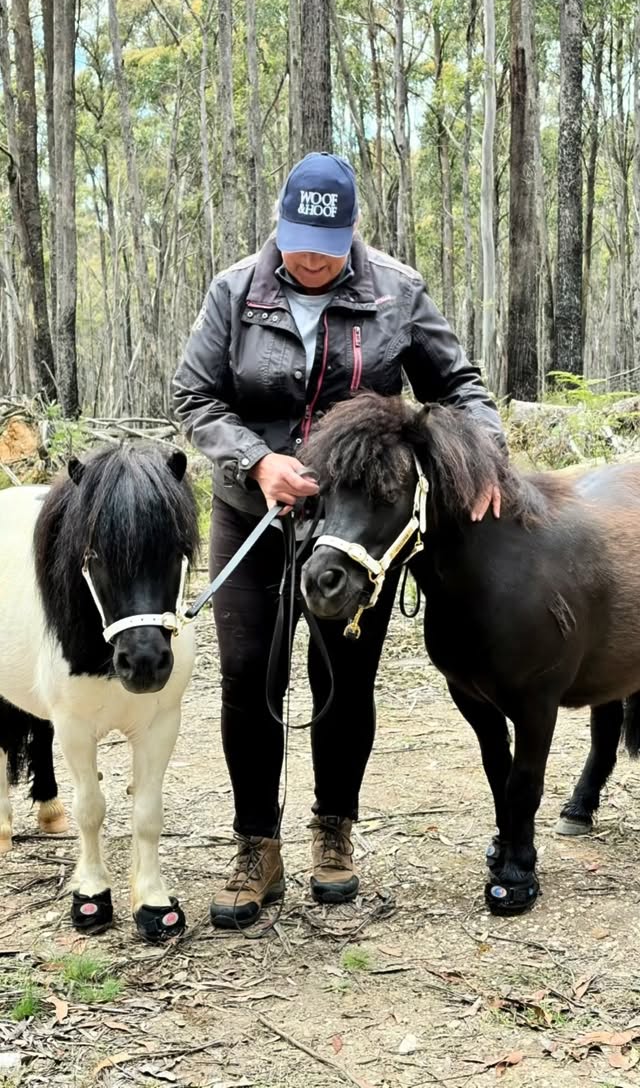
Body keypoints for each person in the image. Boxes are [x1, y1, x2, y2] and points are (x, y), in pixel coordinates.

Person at [173, 152, 505, 929]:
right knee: (251, 674)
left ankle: (334, 831)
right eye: (297, 240)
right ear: (279, 227)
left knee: (343, 677)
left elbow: (459, 385)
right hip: (251, 512)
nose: (311, 257)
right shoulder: (234, 291)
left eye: (326, 241)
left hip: (356, 523)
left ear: (352, 230)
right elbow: (195, 393)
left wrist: (483, 456)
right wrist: (256, 460)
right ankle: (257, 846)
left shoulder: (396, 290)